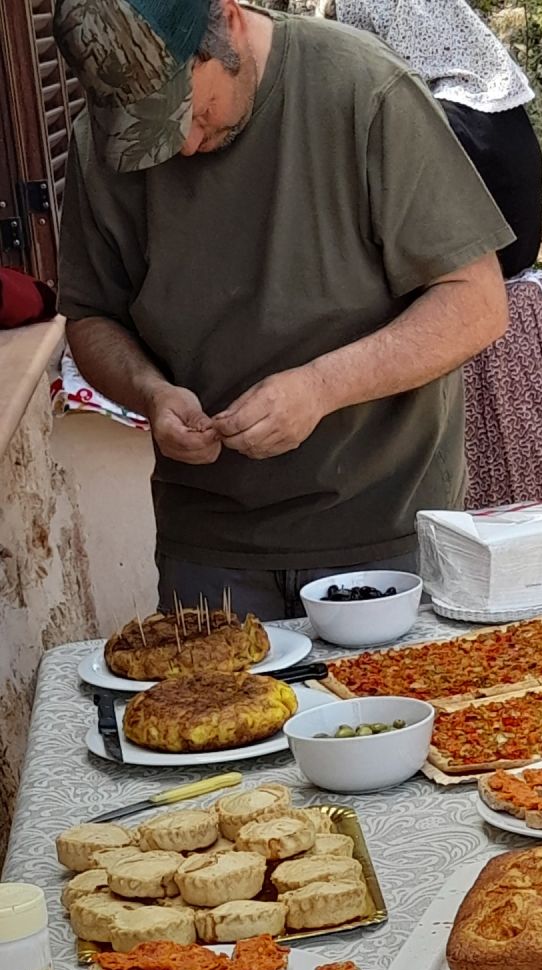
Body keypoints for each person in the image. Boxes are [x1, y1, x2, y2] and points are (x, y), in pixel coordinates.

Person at [52, 0, 511, 621]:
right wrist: (151, 393)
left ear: (228, 20)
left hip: (385, 529)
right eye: (149, 131)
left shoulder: (362, 87)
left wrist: (321, 387)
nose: (182, 146)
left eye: (192, 111)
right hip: (209, 545)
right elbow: (90, 319)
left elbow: (476, 301)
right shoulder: (100, 143)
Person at [330, 0, 542, 582]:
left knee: (487, 527)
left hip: (470, 332)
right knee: (537, 501)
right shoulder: (495, 104)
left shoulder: (433, 121)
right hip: (523, 327)